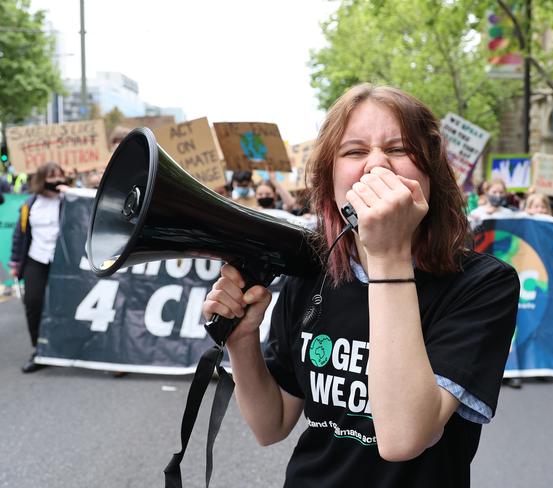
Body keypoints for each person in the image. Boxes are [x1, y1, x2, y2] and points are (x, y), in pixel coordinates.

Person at [202, 83, 519, 486]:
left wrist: (388, 254)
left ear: (430, 172)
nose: (376, 166)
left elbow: (404, 438)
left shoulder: (482, 284)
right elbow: (271, 425)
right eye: (354, 152)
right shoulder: (312, 273)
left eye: (399, 149)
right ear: (329, 180)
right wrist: (242, 341)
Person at [9, 162, 69, 373]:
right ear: (42, 179)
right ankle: (40, 349)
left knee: (64, 305)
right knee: (33, 302)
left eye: (59, 176)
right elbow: (20, 235)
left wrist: (73, 195)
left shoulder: (70, 200)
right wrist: (16, 263)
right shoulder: (30, 204)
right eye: (51, 177)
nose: (56, 181)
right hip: (37, 259)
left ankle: (67, 347)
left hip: (63, 260)